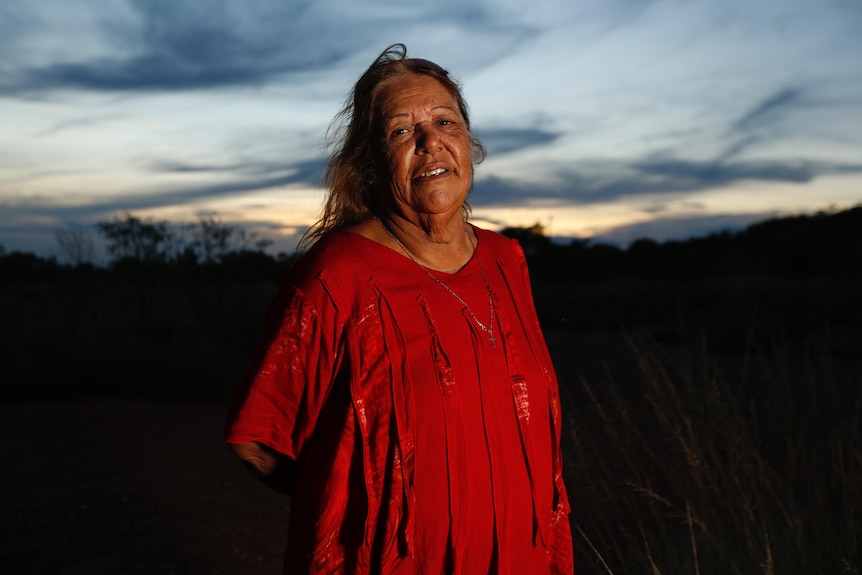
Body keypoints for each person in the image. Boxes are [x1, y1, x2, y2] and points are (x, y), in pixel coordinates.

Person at [225, 43, 573, 574]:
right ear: (370, 161)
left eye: (445, 122)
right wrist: (350, 506)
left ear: (468, 142)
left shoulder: (507, 260)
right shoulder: (336, 274)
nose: (431, 142)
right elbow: (257, 438)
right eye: (402, 131)